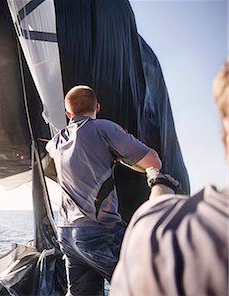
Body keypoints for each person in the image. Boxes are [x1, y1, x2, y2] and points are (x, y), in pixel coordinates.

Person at [110, 62, 229, 295]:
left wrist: (158, 183)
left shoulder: (158, 233)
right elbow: (152, 161)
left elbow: (157, 215)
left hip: (71, 233)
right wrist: (155, 174)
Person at [46, 85, 162, 295]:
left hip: (67, 235)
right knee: (146, 287)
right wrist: (119, 156)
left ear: (68, 114)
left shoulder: (55, 142)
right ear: (97, 107)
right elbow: (153, 162)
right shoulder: (103, 128)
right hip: (100, 234)